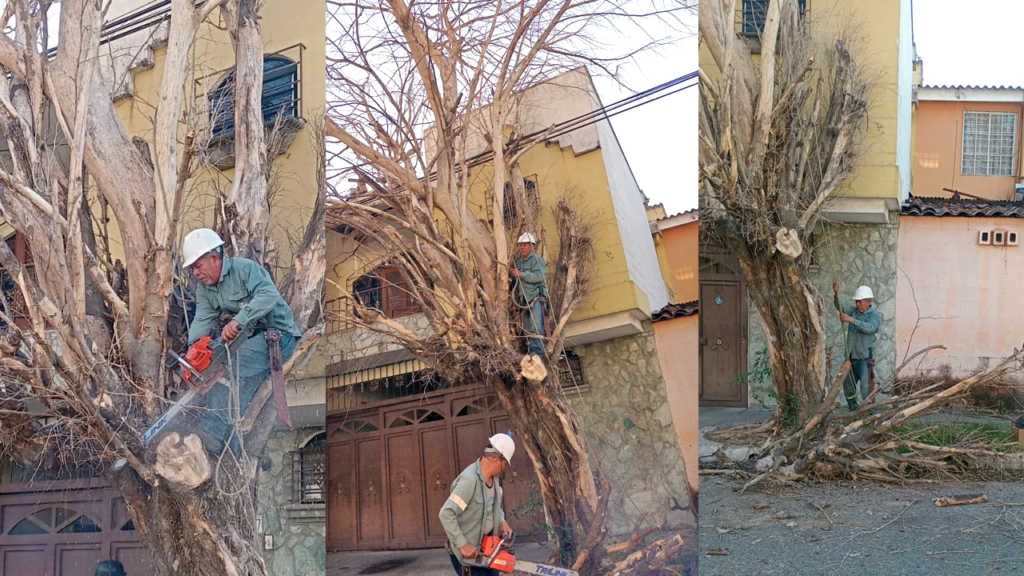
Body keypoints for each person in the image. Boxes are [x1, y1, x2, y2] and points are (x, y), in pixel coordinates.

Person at [181, 228, 302, 453]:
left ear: (214, 259)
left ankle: (213, 430)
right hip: (248, 339)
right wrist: (193, 352)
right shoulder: (205, 290)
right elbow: (201, 320)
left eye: (198, 267)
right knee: (218, 366)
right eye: (192, 269)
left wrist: (238, 320)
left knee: (229, 367)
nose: (195, 273)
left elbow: (268, 295)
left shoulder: (245, 270)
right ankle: (230, 442)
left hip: (277, 338)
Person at [439, 433, 516, 576]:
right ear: (494, 458)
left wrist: (501, 521)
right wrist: (462, 544)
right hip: (469, 553)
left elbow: (492, 506)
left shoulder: (494, 480)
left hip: (488, 548)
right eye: (504, 463)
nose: (505, 467)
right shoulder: (469, 481)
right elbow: (446, 513)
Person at [833, 282, 882, 410]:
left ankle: (871, 415)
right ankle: (854, 413)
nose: (857, 304)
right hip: (850, 358)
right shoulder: (854, 311)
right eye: (857, 302)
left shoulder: (875, 316)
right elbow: (841, 307)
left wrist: (851, 320)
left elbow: (870, 328)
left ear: (867, 301)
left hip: (865, 359)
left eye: (860, 301)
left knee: (866, 391)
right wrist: (836, 293)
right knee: (848, 389)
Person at [510, 233, 547, 358]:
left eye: (524, 245)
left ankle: (537, 353)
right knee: (527, 328)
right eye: (520, 245)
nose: (521, 247)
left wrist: (522, 274)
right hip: (524, 299)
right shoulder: (519, 263)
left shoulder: (537, 260)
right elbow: (517, 280)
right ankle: (530, 352)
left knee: (536, 326)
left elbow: (539, 276)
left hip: (536, 297)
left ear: (532, 246)